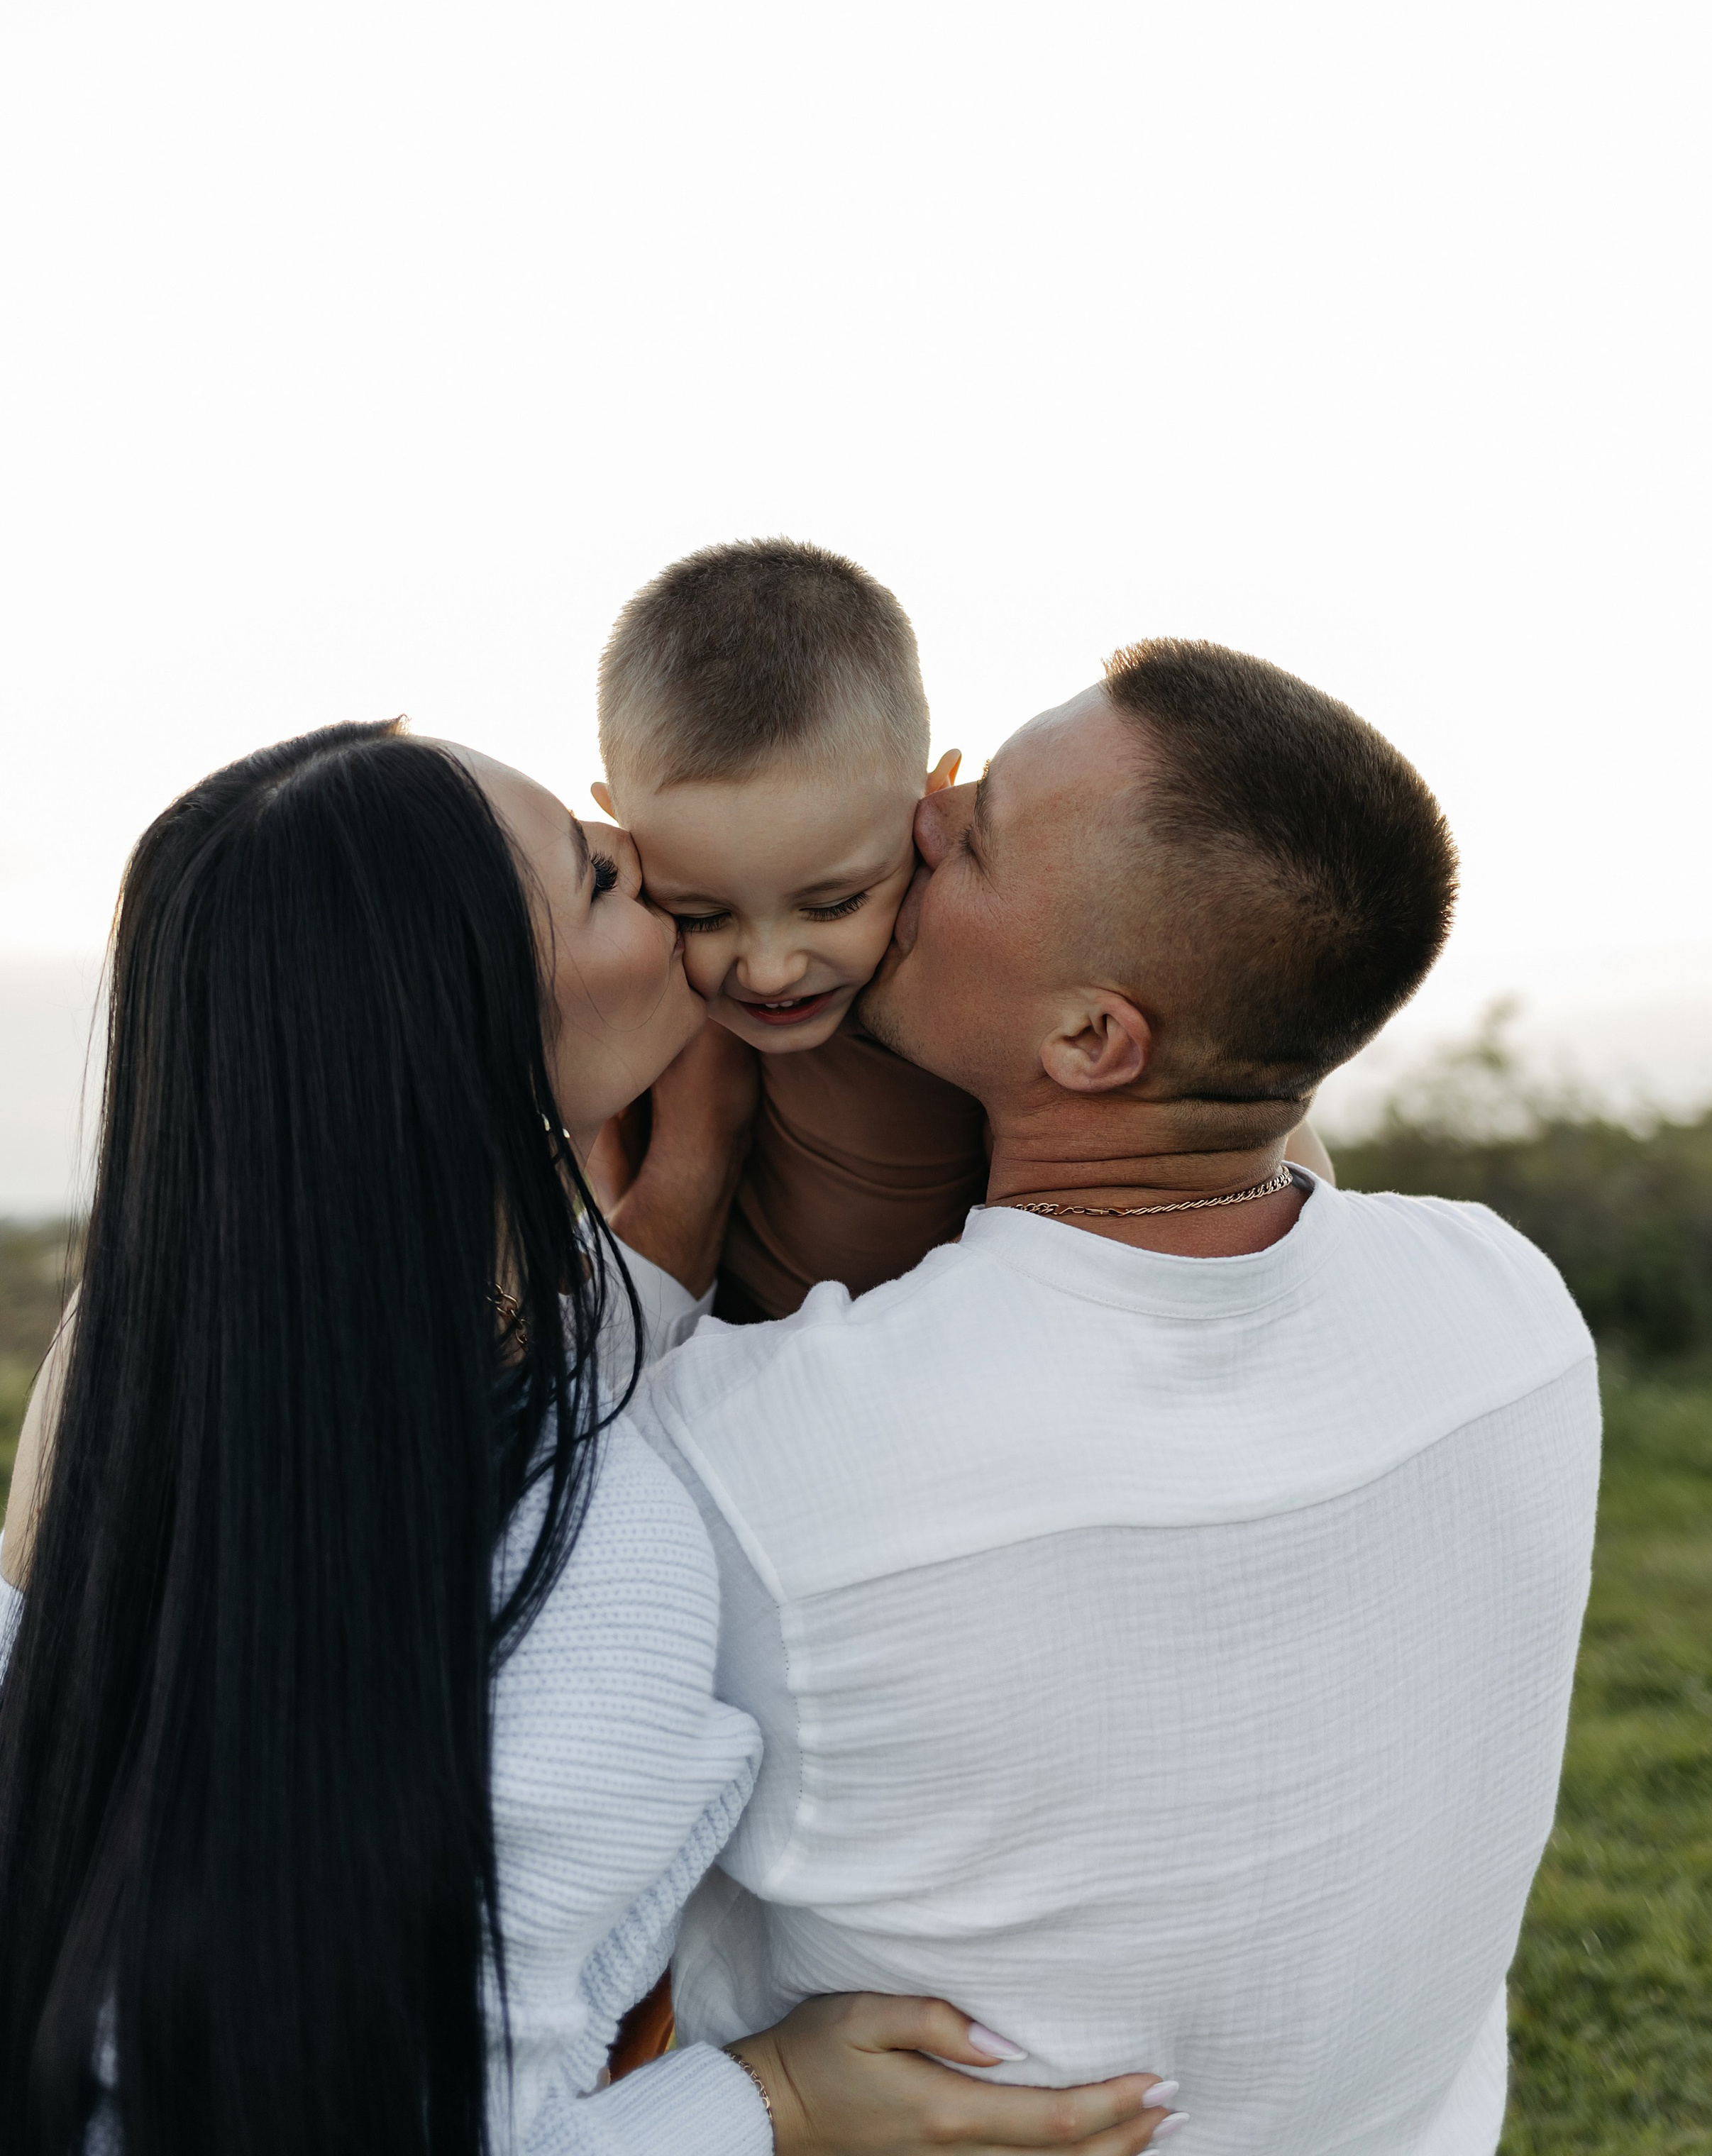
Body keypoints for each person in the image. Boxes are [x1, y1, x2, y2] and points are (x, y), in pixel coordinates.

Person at [0, 719, 1176, 2156]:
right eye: (600, 878)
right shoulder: (601, 1556)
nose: (642, 856)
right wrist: (770, 2098)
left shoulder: (141, 1394)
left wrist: (685, 1186)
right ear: (482, 1037)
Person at [626, 642, 1601, 2156]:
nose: (919, 819)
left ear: (1090, 1041)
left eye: (978, 838)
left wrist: (678, 1174)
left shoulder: (764, 1456)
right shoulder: (1511, 1306)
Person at [594, 541, 1328, 1322]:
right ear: (620, 830)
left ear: (932, 804)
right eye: (704, 915)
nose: (770, 971)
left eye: (835, 904)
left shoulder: (973, 987)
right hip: (728, 1354)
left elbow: (1258, 1137)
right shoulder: (643, 994)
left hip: (959, 1347)